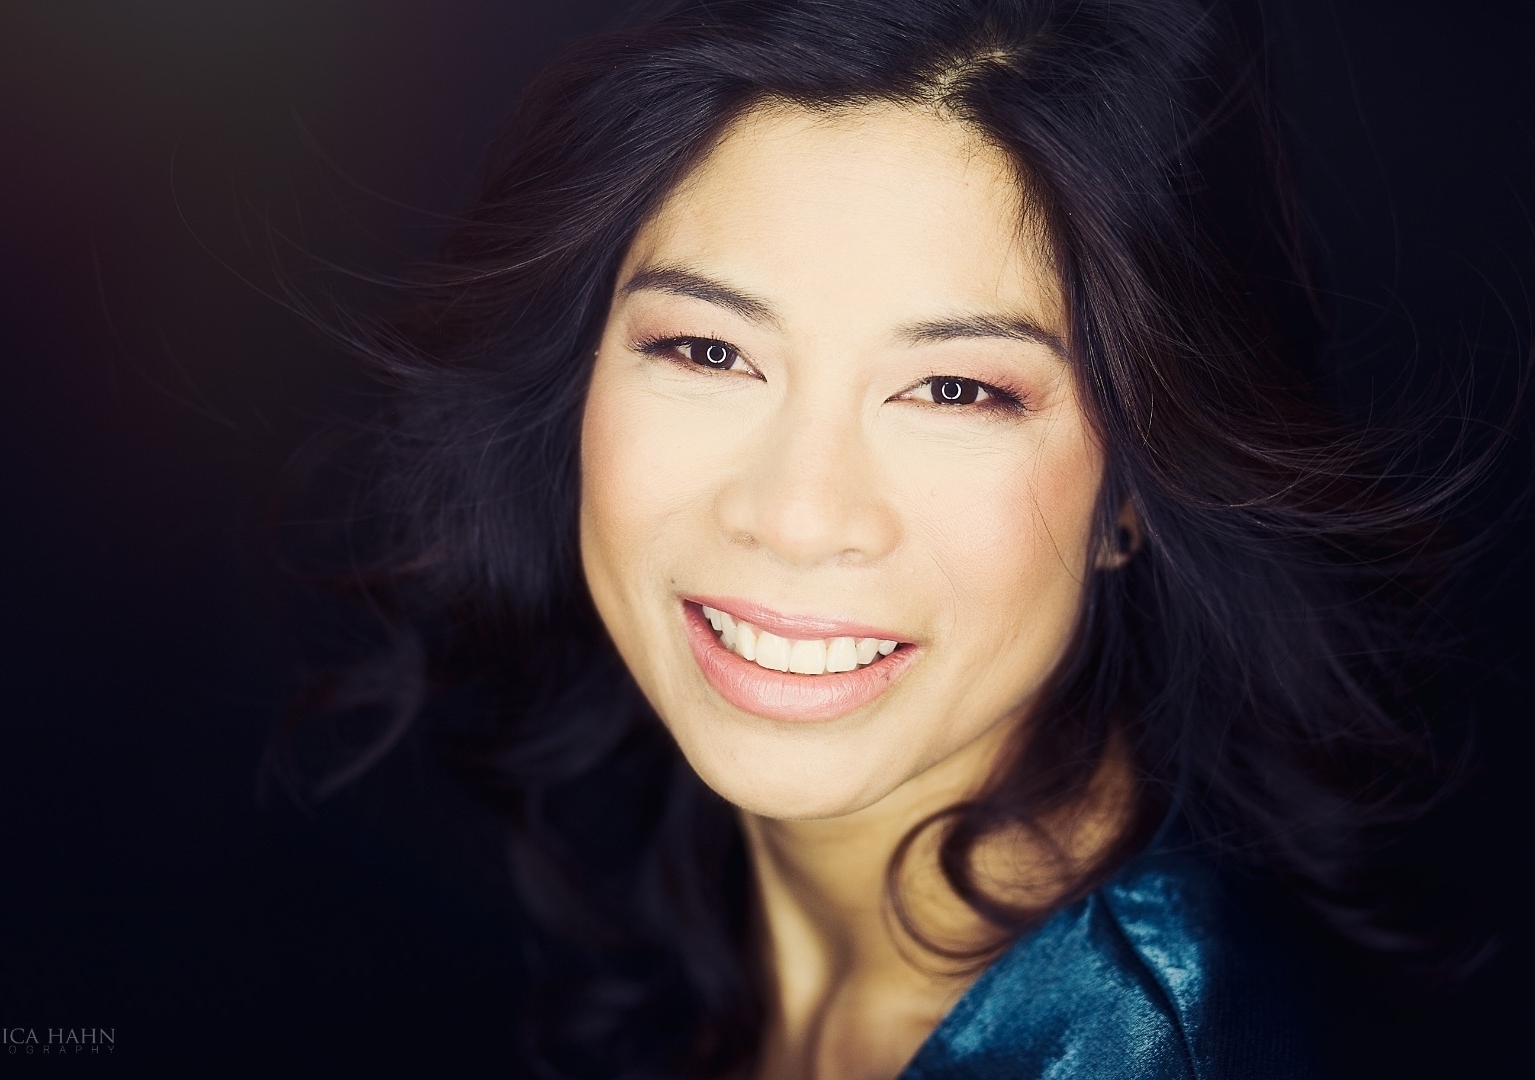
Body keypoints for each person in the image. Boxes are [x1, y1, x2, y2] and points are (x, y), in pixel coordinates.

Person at [286, 1, 1478, 1076]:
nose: (796, 515)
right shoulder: (660, 898)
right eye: (708, 351)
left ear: (1132, 489)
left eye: (955, 391)